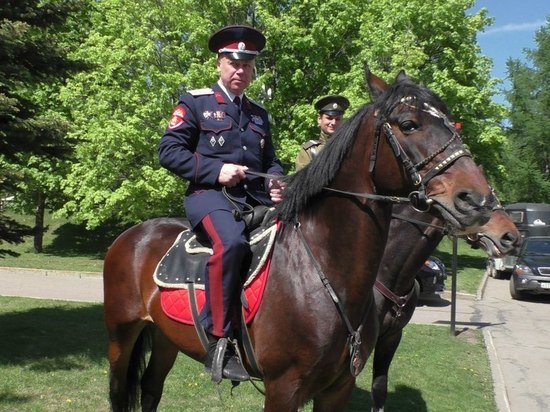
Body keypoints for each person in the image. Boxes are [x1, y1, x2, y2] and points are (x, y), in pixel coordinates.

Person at [158, 24, 284, 381]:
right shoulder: (194, 102)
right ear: (219, 64)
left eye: (247, 65)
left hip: (254, 201)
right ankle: (218, 340)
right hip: (209, 196)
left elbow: (269, 159)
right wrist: (217, 171)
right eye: (233, 63)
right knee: (231, 243)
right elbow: (168, 152)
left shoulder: (259, 114)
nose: (240, 70)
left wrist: (277, 180)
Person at [294, 94, 350, 171]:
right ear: (319, 119)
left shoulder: (349, 147)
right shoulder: (310, 150)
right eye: (329, 118)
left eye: (337, 119)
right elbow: (303, 181)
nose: (333, 122)